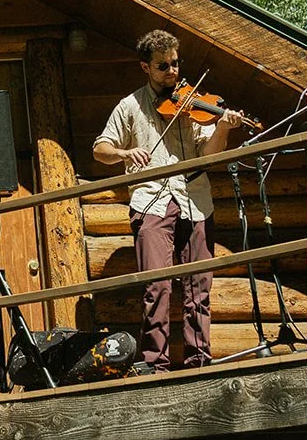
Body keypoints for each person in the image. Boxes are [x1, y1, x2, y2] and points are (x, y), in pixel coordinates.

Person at [93, 30, 241, 373]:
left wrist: (223, 128)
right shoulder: (130, 106)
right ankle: (154, 365)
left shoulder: (192, 101)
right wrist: (125, 153)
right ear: (145, 67)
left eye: (175, 63)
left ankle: (198, 363)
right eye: (163, 66)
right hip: (151, 202)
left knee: (198, 287)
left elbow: (208, 155)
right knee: (157, 286)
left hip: (195, 200)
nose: (172, 71)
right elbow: (100, 149)